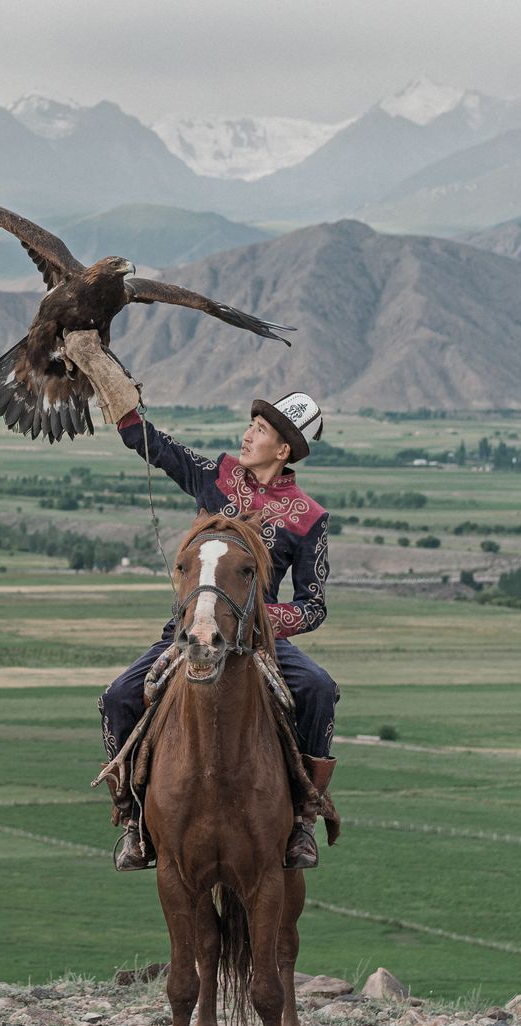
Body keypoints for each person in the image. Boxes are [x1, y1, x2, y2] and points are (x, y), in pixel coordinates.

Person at [86, 362, 337, 872]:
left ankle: (304, 819)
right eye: (251, 425)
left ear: (283, 450)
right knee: (116, 697)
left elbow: (313, 605)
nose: (247, 435)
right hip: (189, 630)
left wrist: (259, 618)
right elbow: (158, 447)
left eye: (259, 430)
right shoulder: (218, 476)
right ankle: (132, 818)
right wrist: (115, 395)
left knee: (319, 689)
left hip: (257, 639)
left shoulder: (308, 518)